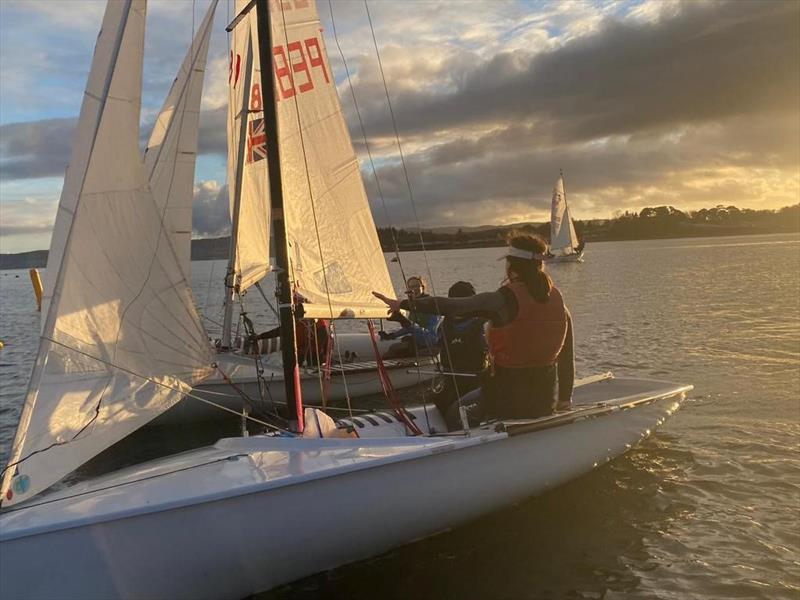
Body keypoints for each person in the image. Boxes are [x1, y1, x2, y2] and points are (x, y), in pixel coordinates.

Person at [374, 233, 574, 423]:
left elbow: (453, 306)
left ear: (512, 267)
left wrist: (402, 304)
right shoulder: (560, 303)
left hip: (506, 400)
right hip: (545, 399)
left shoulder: (502, 300)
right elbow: (566, 357)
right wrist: (564, 398)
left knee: (453, 413)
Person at [434, 280, 488, 430]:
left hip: (474, 382)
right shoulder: (445, 325)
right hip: (452, 381)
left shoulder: (482, 324)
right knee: (441, 400)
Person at [379, 276, 442, 358]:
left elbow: (431, 334)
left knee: (393, 350)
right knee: (393, 350)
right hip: (416, 340)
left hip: (430, 342)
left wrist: (406, 322)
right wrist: (392, 335)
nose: (413, 289)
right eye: (410, 287)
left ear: (422, 287)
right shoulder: (412, 306)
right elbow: (410, 328)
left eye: (416, 286)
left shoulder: (431, 305)